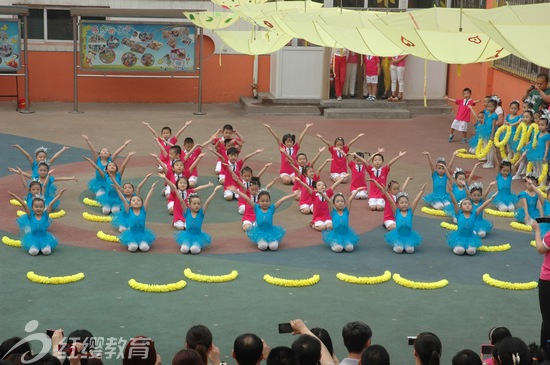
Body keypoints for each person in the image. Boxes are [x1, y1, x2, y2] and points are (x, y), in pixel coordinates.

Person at [9, 189, 66, 256]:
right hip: (33, 238)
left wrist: (59, 195)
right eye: (36, 207)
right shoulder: (31, 215)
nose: (38, 209)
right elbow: (24, 204)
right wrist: (15, 196)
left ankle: (44, 247)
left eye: (41, 207)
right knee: (33, 252)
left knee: (46, 252)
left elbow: (51, 204)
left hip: (44, 237)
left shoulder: (45, 215)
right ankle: (35, 247)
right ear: (32, 208)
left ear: (44, 207)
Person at [174, 186, 222, 254]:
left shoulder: (201, 213)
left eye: (199, 204)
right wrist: (175, 190)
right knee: (184, 250)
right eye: (194, 204)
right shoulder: (187, 212)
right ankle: (187, 245)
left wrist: (214, 192)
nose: (197, 205)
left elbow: (207, 202)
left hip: (197, 236)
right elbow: (181, 201)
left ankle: (196, 246)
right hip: (187, 236)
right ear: (189, 205)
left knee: (194, 250)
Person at [447, 189, 495, 255]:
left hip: (470, 238)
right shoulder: (458, 213)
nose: (467, 205)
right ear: (460, 207)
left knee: (471, 252)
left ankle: (468, 246)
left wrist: (491, 198)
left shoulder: (474, 214)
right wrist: (450, 192)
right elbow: (454, 202)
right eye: (465, 204)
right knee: (460, 251)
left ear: (472, 207)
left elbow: (483, 205)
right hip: (460, 237)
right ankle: (456, 246)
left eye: (469, 204)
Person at [381, 183, 426, 253]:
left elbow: (415, 201)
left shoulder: (410, 212)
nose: (404, 204)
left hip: (408, 235)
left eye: (406, 202)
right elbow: (391, 201)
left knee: (410, 250)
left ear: (408, 204)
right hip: (398, 235)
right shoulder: (397, 212)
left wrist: (421, 191)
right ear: (398, 205)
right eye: (402, 203)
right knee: (399, 250)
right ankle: (397, 244)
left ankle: (406, 245)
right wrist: (386, 192)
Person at [115, 180, 158, 252]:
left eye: (138, 200)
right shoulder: (129, 211)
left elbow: (147, 198)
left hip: (142, 234)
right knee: (133, 248)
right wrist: (117, 190)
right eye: (134, 200)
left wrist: (152, 188)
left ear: (142, 204)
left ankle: (142, 243)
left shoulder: (143, 211)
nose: (136, 202)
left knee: (144, 248)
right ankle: (132, 243)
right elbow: (123, 199)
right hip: (131, 235)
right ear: (130, 204)